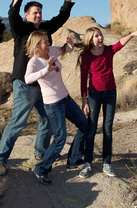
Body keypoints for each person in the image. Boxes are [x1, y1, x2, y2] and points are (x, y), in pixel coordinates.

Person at [0, 0, 75, 176]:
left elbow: (61, 17)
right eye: (34, 13)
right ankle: (0, 158)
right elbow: (12, 15)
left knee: (47, 119)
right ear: (27, 15)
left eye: (40, 13)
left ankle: (40, 153)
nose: (38, 16)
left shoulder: (45, 30)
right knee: (18, 122)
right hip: (24, 85)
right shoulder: (21, 30)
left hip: (43, 84)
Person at [75, 25, 137, 178]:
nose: (100, 38)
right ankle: (88, 162)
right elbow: (83, 80)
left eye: (100, 35)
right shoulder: (86, 56)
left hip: (110, 93)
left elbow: (120, 43)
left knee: (108, 128)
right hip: (94, 95)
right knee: (92, 128)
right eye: (96, 36)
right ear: (90, 40)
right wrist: (84, 101)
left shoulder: (108, 51)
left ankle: (107, 163)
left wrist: (133, 33)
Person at [24, 30, 90, 185]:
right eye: (45, 42)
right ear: (37, 46)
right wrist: (45, 70)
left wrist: (70, 45)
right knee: (60, 138)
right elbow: (28, 79)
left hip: (65, 98)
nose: (48, 44)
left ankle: (73, 159)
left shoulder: (51, 50)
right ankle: (41, 170)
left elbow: (65, 50)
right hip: (53, 104)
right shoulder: (34, 62)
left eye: (48, 41)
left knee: (85, 126)